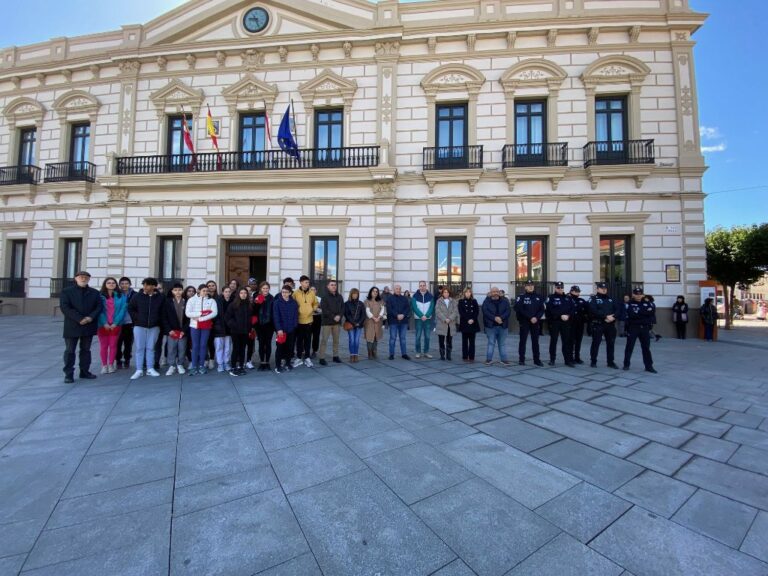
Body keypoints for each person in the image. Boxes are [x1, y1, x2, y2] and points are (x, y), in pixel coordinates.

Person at [59, 271, 102, 383]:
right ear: (76, 278)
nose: (83, 279)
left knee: (86, 350)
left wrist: (90, 317)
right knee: (70, 351)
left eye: (86, 277)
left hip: (88, 325)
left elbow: (98, 307)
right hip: (72, 325)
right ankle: (68, 374)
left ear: (89, 279)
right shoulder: (66, 291)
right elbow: (65, 307)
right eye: (81, 277)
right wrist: (79, 319)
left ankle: (84, 371)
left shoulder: (94, 292)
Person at [128, 277, 165, 380]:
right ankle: (139, 369)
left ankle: (150, 368)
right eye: (144, 284)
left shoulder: (160, 297)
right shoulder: (137, 296)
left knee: (150, 348)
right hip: (139, 326)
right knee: (139, 348)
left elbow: (163, 311)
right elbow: (130, 308)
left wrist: (158, 321)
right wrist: (137, 318)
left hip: (154, 327)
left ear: (154, 286)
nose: (145, 287)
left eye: (148, 285)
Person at [186, 283, 218, 375]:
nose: (205, 292)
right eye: (204, 291)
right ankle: (193, 366)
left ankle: (201, 365)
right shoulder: (192, 300)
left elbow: (214, 313)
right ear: (198, 291)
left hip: (206, 325)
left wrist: (201, 318)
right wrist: (201, 313)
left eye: (207, 291)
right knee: (195, 346)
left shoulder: (211, 301)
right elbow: (188, 313)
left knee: (203, 345)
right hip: (194, 326)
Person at [623, 288, 657, 373]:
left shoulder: (647, 303)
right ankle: (626, 364)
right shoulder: (629, 304)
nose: (638, 296)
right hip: (633, 328)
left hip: (644, 328)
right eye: (636, 294)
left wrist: (638, 314)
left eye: (640, 294)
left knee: (646, 348)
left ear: (643, 295)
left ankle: (649, 366)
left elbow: (651, 314)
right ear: (633, 295)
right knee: (629, 347)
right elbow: (631, 315)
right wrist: (643, 314)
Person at [97, 277, 126, 374]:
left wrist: (115, 323)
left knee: (113, 345)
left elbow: (122, 310)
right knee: (104, 346)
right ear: (105, 284)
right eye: (108, 282)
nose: (111, 284)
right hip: (102, 325)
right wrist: (104, 323)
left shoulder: (121, 296)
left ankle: (111, 364)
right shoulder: (99, 296)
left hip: (115, 324)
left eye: (113, 283)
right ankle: (104, 365)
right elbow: (99, 310)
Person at [588, 282, 620, 369]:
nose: (604, 289)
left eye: (605, 288)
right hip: (599, 324)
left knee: (611, 343)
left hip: (610, 324)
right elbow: (592, 310)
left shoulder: (611, 299)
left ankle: (610, 362)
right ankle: (593, 361)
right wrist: (605, 316)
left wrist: (613, 317)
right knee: (596, 343)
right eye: (602, 288)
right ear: (597, 289)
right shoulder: (593, 299)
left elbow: (618, 309)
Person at [513, 281, 545, 366]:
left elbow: (542, 309)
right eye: (528, 285)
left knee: (535, 341)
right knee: (523, 341)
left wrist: (536, 317)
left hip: (535, 321)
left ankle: (537, 359)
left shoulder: (538, 297)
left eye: (532, 285)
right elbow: (518, 308)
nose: (530, 287)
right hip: (524, 321)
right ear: (525, 287)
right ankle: (521, 359)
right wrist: (530, 317)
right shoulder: (521, 297)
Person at [545, 281, 575, 367]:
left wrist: (568, 315)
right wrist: (560, 315)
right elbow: (549, 310)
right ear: (555, 288)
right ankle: (552, 359)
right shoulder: (551, 298)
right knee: (553, 341)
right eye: (558, 287)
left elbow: (573, 309)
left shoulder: (568, 298)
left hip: (566, 322)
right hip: (555, 322)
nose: (560, 289)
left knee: (566, 341)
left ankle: (567, 360)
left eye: (561, 287)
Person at [226, 287, 254, 376]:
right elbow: (227, 318)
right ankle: (233, 367)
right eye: (241, 293)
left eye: (245, 293)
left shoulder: (249, 304)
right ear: (238, 294)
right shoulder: (233, 304)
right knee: (236, 349)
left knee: (242, 349)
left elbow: (250, 318)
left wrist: (249, 327)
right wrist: (234, 325)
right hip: (236, 331)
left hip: (245, 331)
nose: (243, 295)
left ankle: (241, 366)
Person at [163, 283, 189, 376]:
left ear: (182, 291)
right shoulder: (168, 302)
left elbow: (189, 318)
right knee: (171, 348)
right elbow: (164, 317)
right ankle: (171, 365)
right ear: (172, 291)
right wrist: (169, 330)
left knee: (182, 348)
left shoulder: (186, 301)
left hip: (183, 330)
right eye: (175, 290)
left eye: (180, 290)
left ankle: (180, 364)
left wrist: (184, 330)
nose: (178, 292)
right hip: (172, 331)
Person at [293, 275, 319, 368]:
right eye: (306, 282)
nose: (307, 284)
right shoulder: (295, 293)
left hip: (309, 320)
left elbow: (316, 303)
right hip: (299, 321)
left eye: (308, 282)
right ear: (301, 283)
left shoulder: (312, 293)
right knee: (299, 340)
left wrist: (313, 309)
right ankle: (299, 357)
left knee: (308, 340)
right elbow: (292, 304)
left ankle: (307, 358)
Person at [483, 285, 512, 365]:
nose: (495, 293)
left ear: (499, 293)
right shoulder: (486, 302)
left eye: (496, 291)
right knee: (491, 343)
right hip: (491, 326)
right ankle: (489, 359)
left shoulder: (505, 301)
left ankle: (504, 360)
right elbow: (485, 312)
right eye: (493, 292)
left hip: (503, 326)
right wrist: (494, 318)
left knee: (502, 343)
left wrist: (501, 318)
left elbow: (508, 311)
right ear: (490, 293)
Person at [273, 284, 299, 373]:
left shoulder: (294, 303)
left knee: (290, 348)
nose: (284, 294)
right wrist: (279, 329)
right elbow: (276, 317)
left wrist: (294, 325)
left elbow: (296, 315)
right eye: (283, 292)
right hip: (281, 331)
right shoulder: (277, 303)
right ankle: (278, 365)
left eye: (286, 292)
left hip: (291, 329)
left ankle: (288, 363)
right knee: (280, 348)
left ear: (290, 293)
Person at [318, 280, 345, 366]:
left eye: (335, 285)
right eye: (332, 285)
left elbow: (342, 308)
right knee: (324, 340)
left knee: (336, 340)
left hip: (337, 323)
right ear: (328, 286)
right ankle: (322, 358)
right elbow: (325, 309)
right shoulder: (324, 297)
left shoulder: (339, 297)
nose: (334, 286)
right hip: (327, 322)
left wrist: (339, 316)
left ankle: (335, 356)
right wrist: (334, 316)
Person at [115, 277, 137, 369]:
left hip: (130, 322)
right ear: (119, 285)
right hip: (118, 322)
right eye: (122, 283)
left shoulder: (135, 294)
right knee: (117, 343)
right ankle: (118, 360)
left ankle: (127, 359)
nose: (124, 285)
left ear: (130, 284)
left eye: (126, 283)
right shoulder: (117, 294)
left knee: (128, 343)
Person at [254, 281, 275, 371]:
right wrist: (258, 303)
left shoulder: (272, 298)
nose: (265, 290)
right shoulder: (257, 297)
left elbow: (274, 312)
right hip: (259, 325)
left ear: (269, 289)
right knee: (261, 344)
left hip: (269, 325)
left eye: (267, 288)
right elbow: (254, 311)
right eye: (263, 288)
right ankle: (262, 362)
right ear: (260, 289)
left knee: (268, 343)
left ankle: (267, 362)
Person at [386, 284, 411, 361]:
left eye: (399, 289)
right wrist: (397, 315)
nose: (398, 290)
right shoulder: (390, 298)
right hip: (393, 321)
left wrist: (403, 315)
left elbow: (407, 308)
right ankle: (391, 354)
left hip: (403, 321)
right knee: (392, 338)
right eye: (396, 289)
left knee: (403, 338)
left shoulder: (404, 298)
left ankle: (404, 354)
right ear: (394, 290)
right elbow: (389, 309)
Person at [411, 280, 435, 359]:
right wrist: (421, 316)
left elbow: (432, 307)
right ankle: (418, 352)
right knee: (418, 336)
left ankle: (426, 352)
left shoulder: (431, 296)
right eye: (420, 285)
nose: (422, 287)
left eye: (423, 285)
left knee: (427, 336)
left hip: (427, 319)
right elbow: (414, 307)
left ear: (426, 286)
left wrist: (427, 315)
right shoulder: (414, 296)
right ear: (419, 286)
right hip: (418, 319)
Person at [213, 286, 233, 372]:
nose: (227, 293)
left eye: (229, 291)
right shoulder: (217, 301)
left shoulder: (233, 301)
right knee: (219, 346)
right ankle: (220, 364)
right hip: (219, 327)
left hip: (229, 327)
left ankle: (226, 362)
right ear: (222, 292)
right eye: (226, 291)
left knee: (228, 347)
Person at [435, 287, 459, 361]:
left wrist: (450, 319)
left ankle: (448, 355)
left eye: (447, 292)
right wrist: (444, 319)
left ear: (449, 293)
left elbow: (455, 311)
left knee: (449, 340)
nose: (446, 294)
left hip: (450, 324)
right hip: (442, 323)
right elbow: (437, 311)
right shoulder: (439, 301)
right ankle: (442, 355)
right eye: (445, 292)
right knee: (441, 340)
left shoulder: (453, 301)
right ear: (442, 293)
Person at [457, 287, 480, 362]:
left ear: (471, 293)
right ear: (464, 293)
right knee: (464, 341)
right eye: (466, 292)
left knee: (472, 341)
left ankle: (471, 357)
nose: (468, 293)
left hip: (473, 323)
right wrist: (468, 319)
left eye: (469, 292)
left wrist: (472, 319)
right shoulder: (461, 301)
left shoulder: (474, 301)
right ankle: (465, 356)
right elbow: (461, 312)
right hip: (465, 323)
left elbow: (477, 311)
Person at [567, 286, 588, 364]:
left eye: (578, 291)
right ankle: (570, 357)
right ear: (571, 291)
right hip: (571, 323)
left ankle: (577, 357)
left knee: (578, 341)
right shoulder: (568, 300)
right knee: (571, 341)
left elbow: (587, 310)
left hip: (580, 323)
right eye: (576, 291)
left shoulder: (581, 300)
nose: (578, 293)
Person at [344, 288, 366, 363]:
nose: (355, 295)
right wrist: (354, 323)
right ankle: (351, 355)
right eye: (354, 294)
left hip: (359, 325)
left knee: (356, 340)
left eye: (356, 294)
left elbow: (363, 315)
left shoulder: (361, 303)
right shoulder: (347, 303)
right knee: (352, 340)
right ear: (351, 294)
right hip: (350, 324)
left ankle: (356, 355)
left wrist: (359, 323)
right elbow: (347, 314)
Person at [364, 286, 386, 359]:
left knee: (376, 337)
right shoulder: (367, 301)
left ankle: (374, 352)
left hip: (378, 321)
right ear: (371, 292)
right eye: (374, 291)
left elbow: (383, 310)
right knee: (369, 337)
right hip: (370, 322)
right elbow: (367, 311)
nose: (375, 292)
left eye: (376, 291)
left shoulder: (381, 301)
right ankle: (369, 353)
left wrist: (379, 317)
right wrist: (373, 318)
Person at [310, 286, 322, 358]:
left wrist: (317, 309)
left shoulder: (319, 299)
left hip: (317, 318)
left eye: (314, 289)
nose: (313, 291)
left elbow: (322, 309)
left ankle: (314, 351)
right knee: (307, 335)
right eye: (311, 289)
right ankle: (305, 350)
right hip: (309, 317)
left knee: (316, 335)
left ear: (316, 291)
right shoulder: (306, 298)